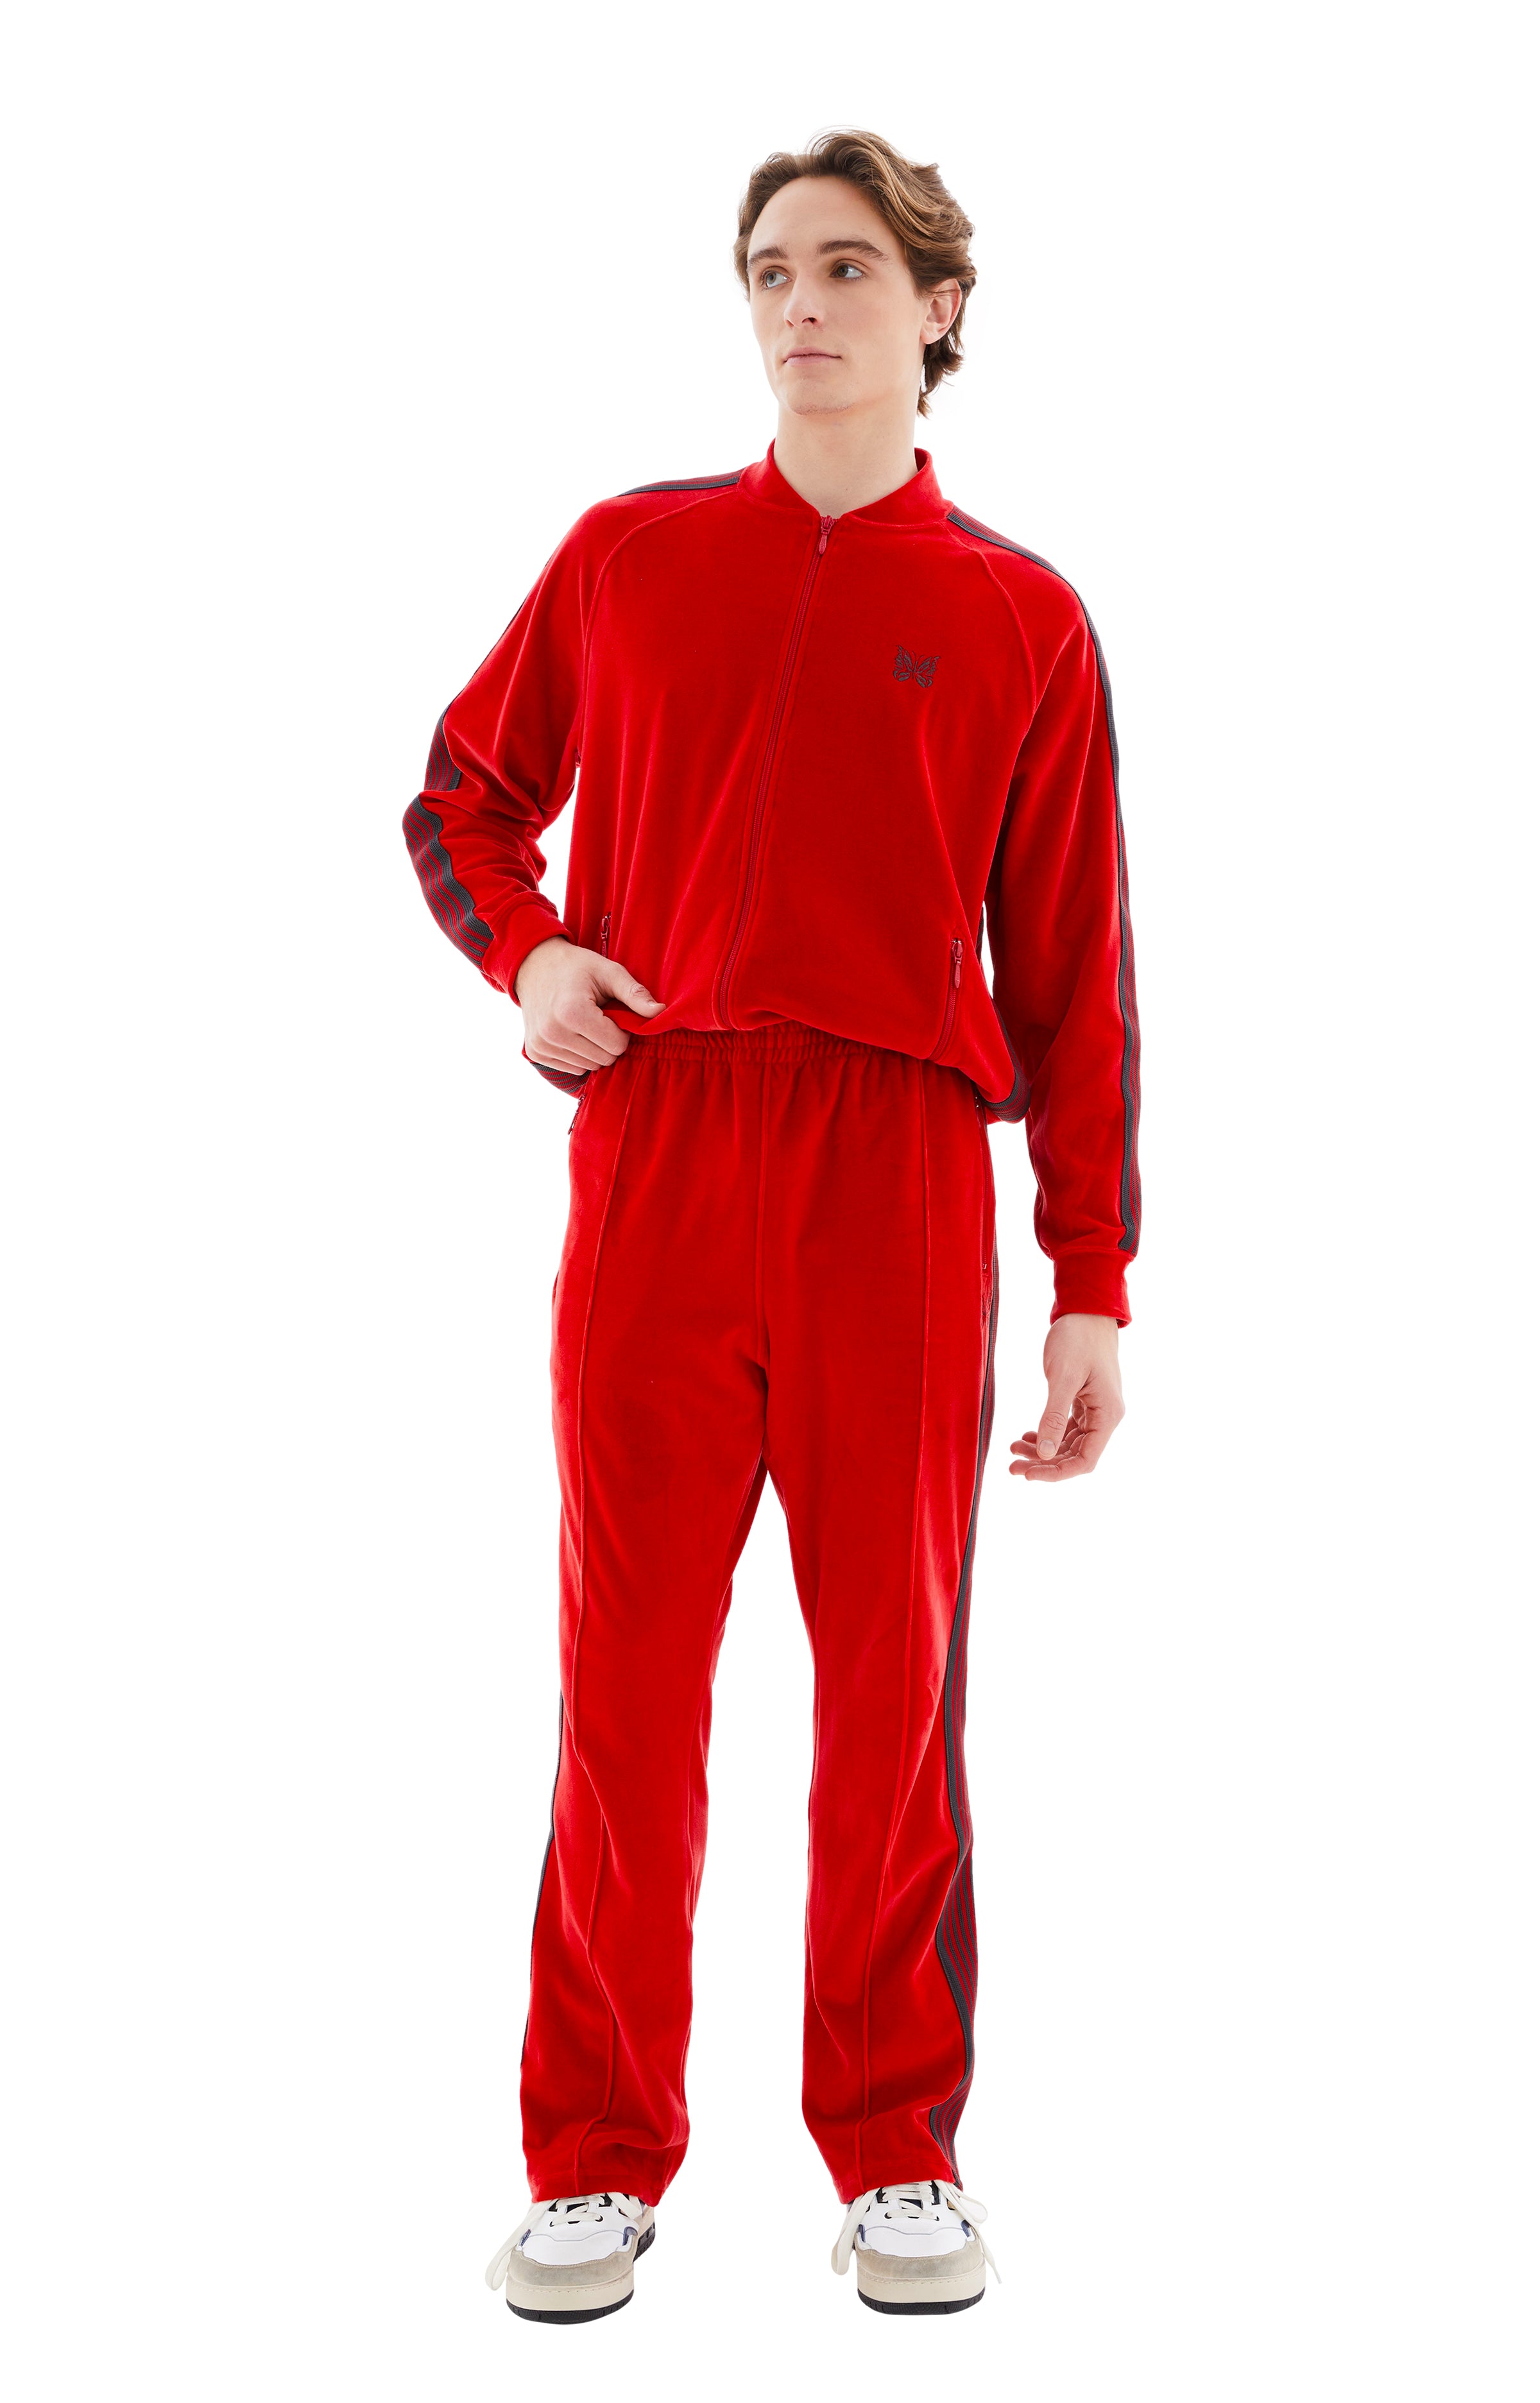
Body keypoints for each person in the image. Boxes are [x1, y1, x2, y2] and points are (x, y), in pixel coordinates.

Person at [406, 126, 1141, 2325]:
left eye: (845, 267)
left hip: (897, 1181)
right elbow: (459, 797)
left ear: (936, 308)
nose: (799, 303)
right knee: (624, 1680)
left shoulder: (1021, 616)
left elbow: (1077, 978)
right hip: (663, 1151)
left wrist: (1091, 1281)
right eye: (768, 270)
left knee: (892, 1689)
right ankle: (593, 2159)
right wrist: (532, 950)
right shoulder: (630, 559)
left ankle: (898, 2145)